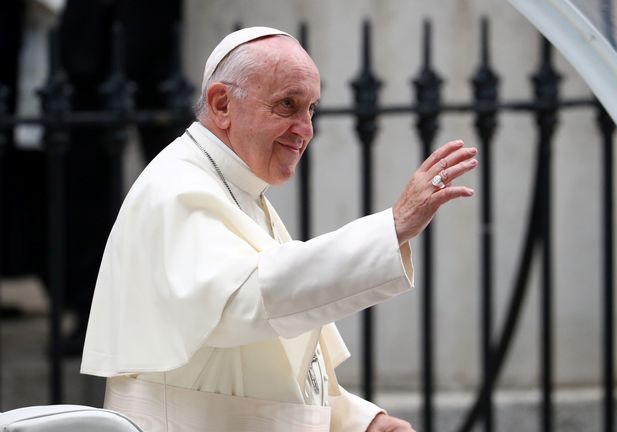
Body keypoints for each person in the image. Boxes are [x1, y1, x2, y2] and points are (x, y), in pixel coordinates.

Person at [81, 26, 478, 432]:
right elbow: (248, 301)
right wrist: (391, 228)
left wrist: (360, 421)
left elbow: (270, 368)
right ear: (222, 104)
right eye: (287, 105)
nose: (306, 129)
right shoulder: (175, 189)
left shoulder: (240, 190)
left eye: (311, 109)